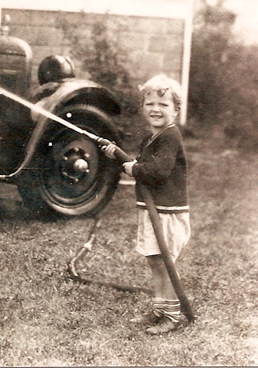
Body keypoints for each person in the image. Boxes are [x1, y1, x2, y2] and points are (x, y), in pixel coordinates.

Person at [103, 74, 191, 335]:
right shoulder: (151, 138)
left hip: (167, 212)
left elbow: (157, 172)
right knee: (154, 261)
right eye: (150, 103)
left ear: (175, 110)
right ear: (143, 107)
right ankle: (159, 309)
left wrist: (134, 168)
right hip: (153, 210)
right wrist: (118, 157)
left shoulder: (170, 138)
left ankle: (172, 316)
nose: (156, 109)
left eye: (164, 105)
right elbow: (140, 167)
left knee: (165, 262)